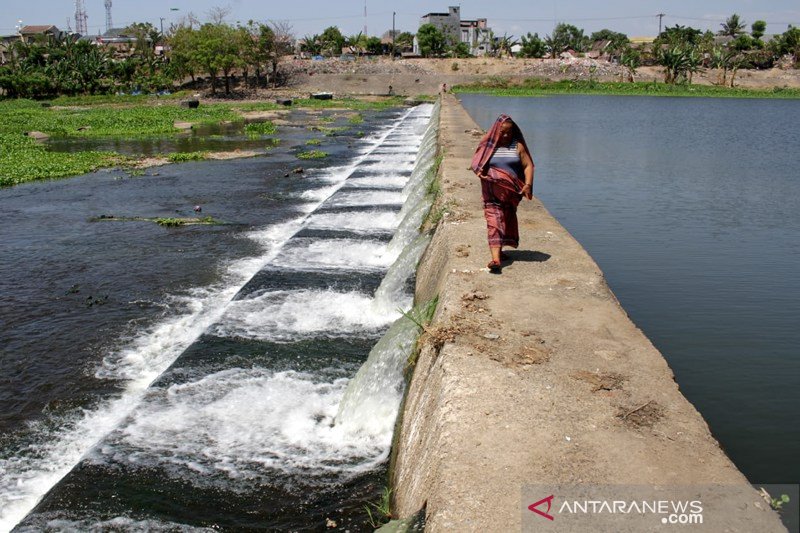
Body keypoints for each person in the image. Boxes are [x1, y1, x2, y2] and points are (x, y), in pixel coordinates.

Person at [470, 114, 535, 273]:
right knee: (494, 222)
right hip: (491, 191)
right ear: (495, 131)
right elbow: (477, 162)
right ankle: (496, 259)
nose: (506, 135)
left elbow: (528, 166)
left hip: (511, 193)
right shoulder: (488, 145)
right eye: (503, 132)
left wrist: (527, 185)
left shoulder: (517, 146)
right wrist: (480, 173)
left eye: (509, 132)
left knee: (506, 219)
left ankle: (500, 252)